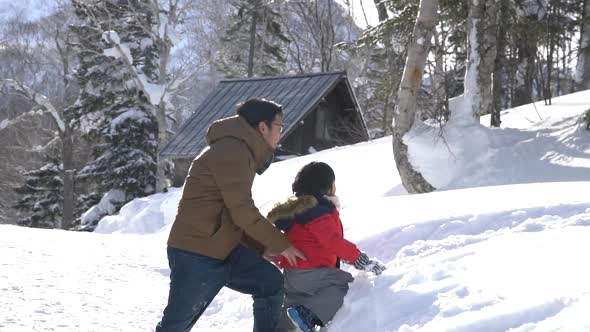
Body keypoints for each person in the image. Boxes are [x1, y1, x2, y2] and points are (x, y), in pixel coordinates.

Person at [156, 98, 306, 332]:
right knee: (175, 326)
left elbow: (229, 213)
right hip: (196, 254)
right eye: (280, 127)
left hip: (224, 250)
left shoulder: (241, 151)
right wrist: (280, 244)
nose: (281, 133)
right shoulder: (232, 150)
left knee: (270, 283)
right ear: (263, 127)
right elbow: (242, 210)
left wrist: (260, 248)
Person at [266, 162, 386, 332]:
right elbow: (332, 241)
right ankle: (307, 316)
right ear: (328, 187)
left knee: (294, 301)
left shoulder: (296, 211)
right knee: (342, 284)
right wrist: (359, 259)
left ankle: (282, 328)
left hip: (292, 274)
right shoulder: (318, 211)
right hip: (312, 271)